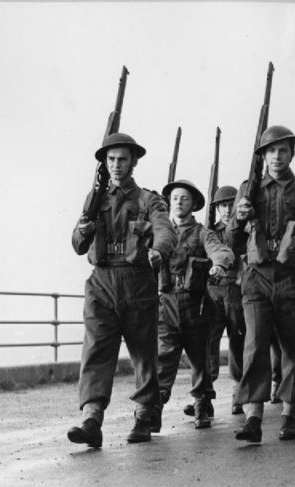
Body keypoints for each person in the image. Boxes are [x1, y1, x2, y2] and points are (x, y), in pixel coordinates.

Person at [226, 125, 295, 442]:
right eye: (270, 150)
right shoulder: (249, 188)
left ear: (292, 154)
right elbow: (232, 239)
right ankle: (253, 418)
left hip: (293, 278)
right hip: (257, 278)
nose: (276, 156)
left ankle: (289, 413)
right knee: (255, 345)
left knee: (293, 348)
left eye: (283, 150)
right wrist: (238, 217)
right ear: (262, 156)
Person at [68, 132, 177, 447]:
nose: (116, 165)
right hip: (101, 282)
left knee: (144, 352)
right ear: (105, 162)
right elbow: (77, 245)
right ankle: (91, 418)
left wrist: (159, 249)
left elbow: (163, 228)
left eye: (122, 159)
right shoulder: (95, 198)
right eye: (111, 159)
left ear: (134, 162)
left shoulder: (147, 199)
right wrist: (82, 230)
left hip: (136, 282)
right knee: (96, 350)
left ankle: (145, 414)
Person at [154, 179, 234, 431]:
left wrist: (219, 265)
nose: (179, 202)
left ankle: (201, 405)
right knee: (163, 358)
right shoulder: (157, 233)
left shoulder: (202, 232)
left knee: (200, 358)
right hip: (166, 302)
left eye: (185, 198)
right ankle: (151, 411)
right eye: (175, 198)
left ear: (193, 205)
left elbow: (221, 251)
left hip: (195, 303)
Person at [205, 185, 247, 415]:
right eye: (223, 205)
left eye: (231, 204)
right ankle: (205, 394)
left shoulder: (243, 230)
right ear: (217, 208)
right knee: (209, 340)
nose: (227, 209)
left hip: (235, 289)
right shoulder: (209, 231)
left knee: (237, 339)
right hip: (212, 290)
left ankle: (238, 392)